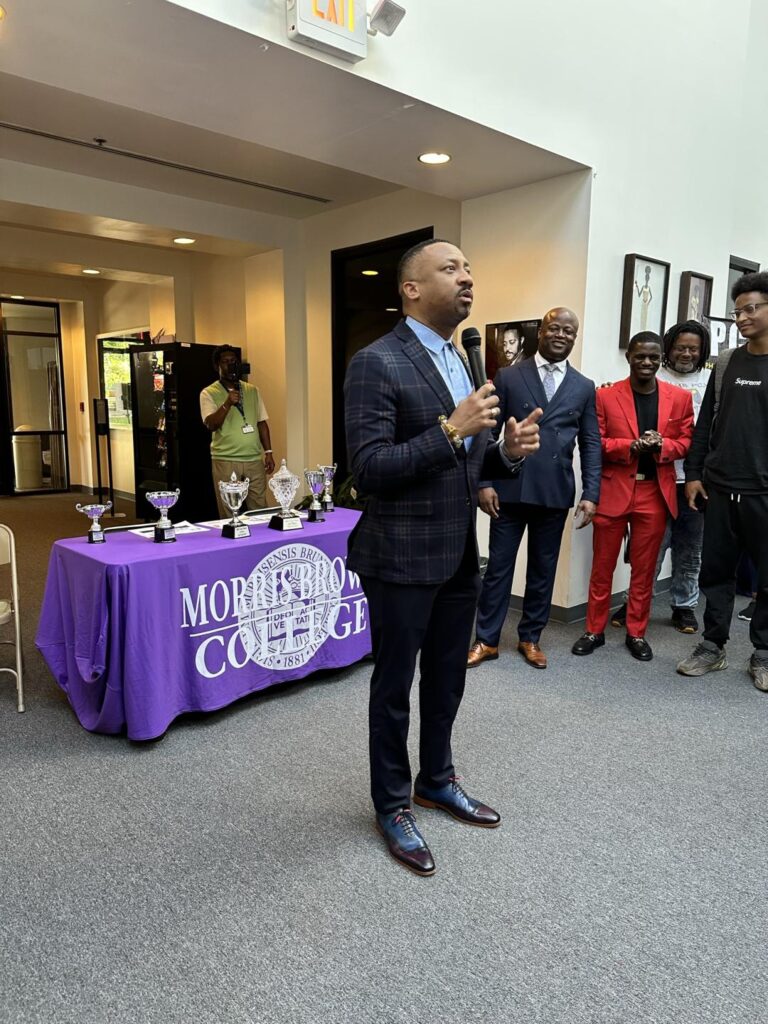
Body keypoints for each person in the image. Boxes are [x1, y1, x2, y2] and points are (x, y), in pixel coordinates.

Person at [344, 238, 541, 876]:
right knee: (395, 686)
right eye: (450, 269)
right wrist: (453, 429)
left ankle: (437, 777)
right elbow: (368, 470)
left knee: (449, 677)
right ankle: (392, 803)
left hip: (458, 551)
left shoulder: (460, 361)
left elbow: (469, 463)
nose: (467, 278)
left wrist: (505, 453)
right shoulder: (375, 362)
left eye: (468, 268)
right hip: (399, 554)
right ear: (410, 289)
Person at [467, 307, 601, 670]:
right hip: (509, 489)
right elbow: (487, 432)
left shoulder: (584, 386)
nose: (561, 335)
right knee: (498, 568)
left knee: (543, 569)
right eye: (554, 328)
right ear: (540, 332)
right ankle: (486, 639)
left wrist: (591, 494)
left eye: (569, 331)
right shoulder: (510, 376)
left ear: (575, 337)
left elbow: (591, 443)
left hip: (554, 492)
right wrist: (485, 481)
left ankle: (530, 637)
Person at [572, 332, 694, 661]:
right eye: (640, 356)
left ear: (661, 359)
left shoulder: (679, 398)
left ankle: (636, 632)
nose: (647, 362)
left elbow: (686, 441)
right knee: (602, 566)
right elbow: (595, 442)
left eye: (653, 357)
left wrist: (662, 446)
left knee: (644, 569)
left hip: (654, 492)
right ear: (629, 357)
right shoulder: (606, 396)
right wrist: (630, 446)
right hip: (614, 489)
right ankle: (593, 630)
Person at [677, 272, 768, 691]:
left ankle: (763, 652)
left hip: (763, 492)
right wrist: (694, 474)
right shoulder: (727, 362)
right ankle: (712, 645)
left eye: (752, 309)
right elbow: (703, 425)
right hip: (718, 486)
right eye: (739, 311)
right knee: (715, 572)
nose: (742, 318)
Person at [610, 321, 711, 634]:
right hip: (657, 477)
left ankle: (684, 606)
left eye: (693, 349)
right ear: (668, 348)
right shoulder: (655, 375)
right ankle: (637, 602)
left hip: (696, 479)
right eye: (680, 347)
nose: (686, 353)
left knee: (690, 549)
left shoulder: (712, 380)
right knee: (649, 548)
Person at [200, 345, 275, 516]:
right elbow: (211, 424)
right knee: (229, 510)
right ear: (217, 366)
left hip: (253, 458)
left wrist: (268, 452)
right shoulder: (208, 393)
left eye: (233, 362)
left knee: (260, 508)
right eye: (225, 362)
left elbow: (261, 422)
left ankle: (261, 541)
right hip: (226, 459)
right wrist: (227, 403)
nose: (230, 365)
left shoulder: (252, 390)